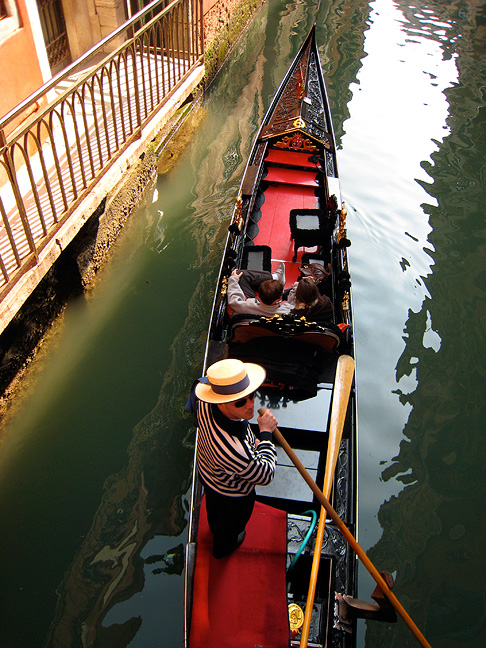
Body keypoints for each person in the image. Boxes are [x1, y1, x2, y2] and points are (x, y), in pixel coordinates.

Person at [192, 358, 278, 559]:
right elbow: (265, 475)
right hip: (232, 495)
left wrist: (254, 441)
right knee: (229, 528)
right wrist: (266, 434)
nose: (251, 405)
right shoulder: (235, 450)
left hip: (208, 473)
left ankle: (218, 532)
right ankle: (222, 549)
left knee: (214, 513)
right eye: (241, 402)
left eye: (252, 396)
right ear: (221, 403)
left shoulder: (204, 403)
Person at [227, 263, 292, 316]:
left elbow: (233, 300)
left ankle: (275, 277)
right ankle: (276, 277)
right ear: (277, 300)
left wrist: (233, 279)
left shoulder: (245, 306)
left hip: (252, 311)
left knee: (240, 274)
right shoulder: (286, 311)